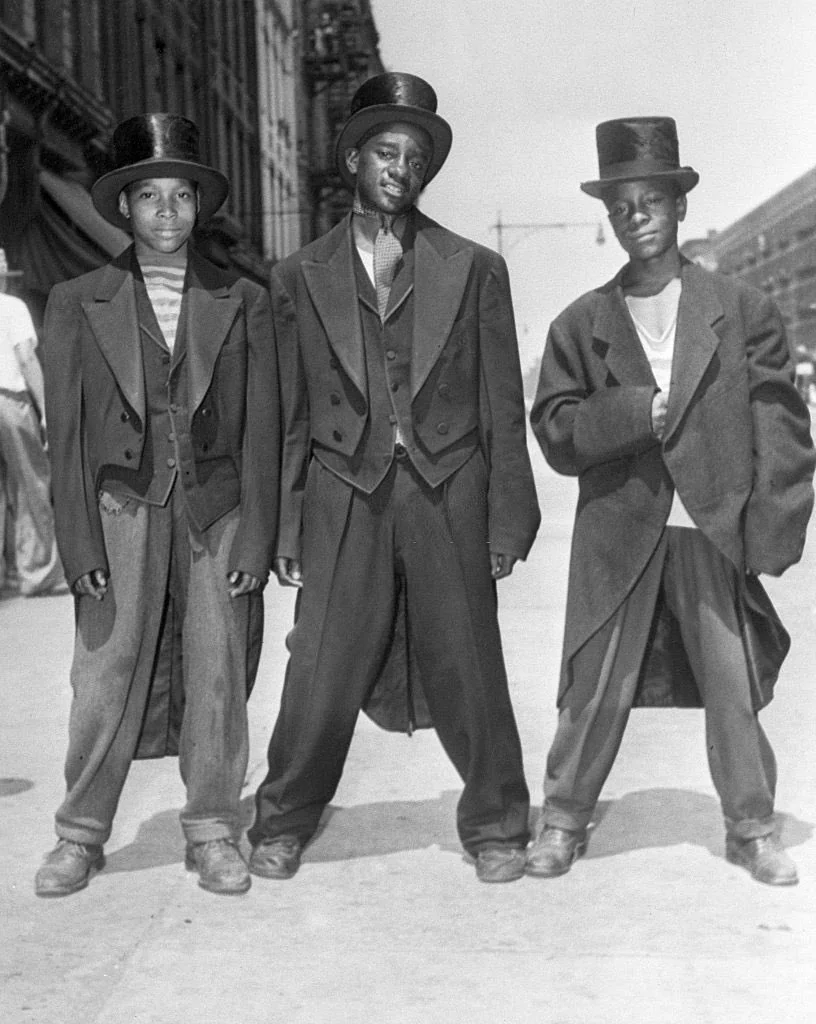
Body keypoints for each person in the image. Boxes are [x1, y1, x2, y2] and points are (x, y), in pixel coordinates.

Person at [249, 73, 540, 884]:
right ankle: (282, 820)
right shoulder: (295, 275)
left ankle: (495, 824)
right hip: (344, 487)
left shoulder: (475, 266)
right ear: (352, 159)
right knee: (321, 664)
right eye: (386, 150)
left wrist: (509, 520)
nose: (401, 167)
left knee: (469, 660)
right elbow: (291, 416)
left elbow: (501, 403)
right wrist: (286, 528)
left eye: (415, 156)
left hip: (451, 484)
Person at [528, 117, 815, 886]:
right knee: (596, 684)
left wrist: (771, 527)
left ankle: (752, 827)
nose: (635, 216)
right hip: (619, 529)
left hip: (710, 526)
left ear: (680, 207)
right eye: (621, 205)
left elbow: (782, 426)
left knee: (732, 683)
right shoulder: (581, 322)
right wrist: (633, 414)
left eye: (650, 200)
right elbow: (554, 429)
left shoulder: (741, 307)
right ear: (610, 215)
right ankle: (562, 820)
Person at [34, 114, 279, 897]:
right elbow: (65, 437)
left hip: (217, 507)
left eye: (181, 197)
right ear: (125, 207)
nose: (167, 213)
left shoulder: (242, 297)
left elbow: (266, 430)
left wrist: (257, 542)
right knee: (103, 672)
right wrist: (78, 550)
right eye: (150, 197)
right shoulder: (78, 300)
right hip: (120, 508)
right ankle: (80, 833)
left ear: (199, 207)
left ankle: (212, 828)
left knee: (217, 670)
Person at [0, 249, 63, 596]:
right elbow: (26, 358)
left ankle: (6, 572)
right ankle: (36, 572)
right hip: (9, 400)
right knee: (31, 485)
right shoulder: (12, 308)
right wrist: (46, 412)